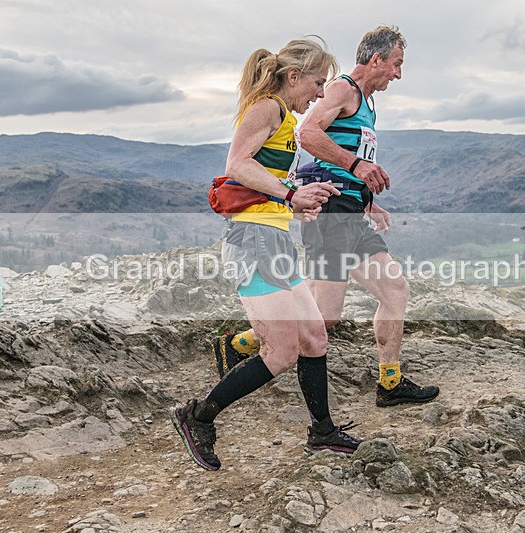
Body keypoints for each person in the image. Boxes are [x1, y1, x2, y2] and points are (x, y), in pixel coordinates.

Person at [212, 26, 439, 408]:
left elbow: (339, 166)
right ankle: (240, 343)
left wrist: (367, 201)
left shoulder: (367, 103)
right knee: (323, 318)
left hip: (352, 212)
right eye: (396, 64)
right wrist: (357, 165)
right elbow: (308, 135)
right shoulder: (342, 90)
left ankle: (390, 382)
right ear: (376, 59)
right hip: (331, 215)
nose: (398, 74)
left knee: (395, 289)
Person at [171, 37, 363, 471]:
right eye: (316, 83)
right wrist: (292, 193)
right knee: (280, 351)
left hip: (272, 238)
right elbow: (237, 164)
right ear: (293, 76)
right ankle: (197, 416)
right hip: (254, 241)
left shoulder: (281, 116)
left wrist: (303, 195)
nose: (319, 93)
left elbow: (263, 178)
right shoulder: (269, 107)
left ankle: (322, 431)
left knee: (314, 335)